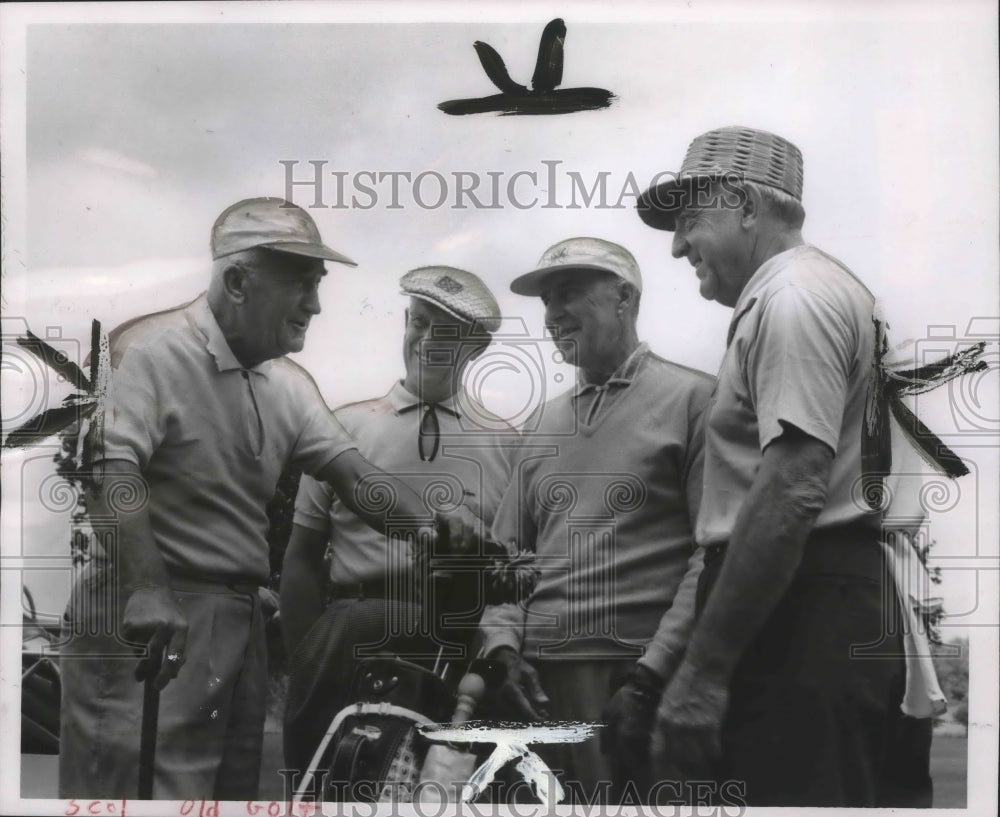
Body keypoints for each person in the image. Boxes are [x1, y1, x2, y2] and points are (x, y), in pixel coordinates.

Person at [58, 198, 475, 800]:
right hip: (148, 611)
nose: (316, 305)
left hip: (239, 617)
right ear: (236, 281)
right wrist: (147, 585)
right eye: (301, 285)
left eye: (319, 285)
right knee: (138, 792)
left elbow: (357, 479)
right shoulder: (150, 351)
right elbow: (109, 469)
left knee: (222, 795)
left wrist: (435, 523)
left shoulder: (288, 384)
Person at [636, 126, 927, 806]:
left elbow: (793, 489)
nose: (677, 246)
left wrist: (702, 673)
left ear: (742, 204)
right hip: (822, 592)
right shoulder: (820, 288)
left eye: (688, 220)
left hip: (800, 605)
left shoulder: (792, 298)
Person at [478, 237, 713, 804]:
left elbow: (715, 553)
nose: (554, 313)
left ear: (624, 298)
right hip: (536, 683)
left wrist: (650, 676)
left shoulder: (696, 399)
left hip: (634, 679)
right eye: (547, 300)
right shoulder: (544, 422)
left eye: (570, 293)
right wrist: (503, 650)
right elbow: (504, 561)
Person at [280, 265, 514, 784]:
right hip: (352, 630)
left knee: (438, 790)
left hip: (455, 645)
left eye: (445, 330)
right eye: (418, 322)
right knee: (326, 787)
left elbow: (510, 575)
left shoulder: (507, 443)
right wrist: (309, 656)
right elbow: (299, 560)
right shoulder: (343, 427)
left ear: (475, 346)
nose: (426, 340)